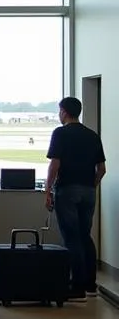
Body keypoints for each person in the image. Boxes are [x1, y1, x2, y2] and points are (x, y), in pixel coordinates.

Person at [46, 96, 106, 302]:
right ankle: (90, 284)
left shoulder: (60, 133)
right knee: (84, 235)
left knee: (71, 237)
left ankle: (77, 286)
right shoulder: (92, 135)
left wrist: (47, 190)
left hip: (67, 189)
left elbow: (55, 164)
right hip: (89, 190)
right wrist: (92, 185)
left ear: (63, 111)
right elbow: (102, 169)